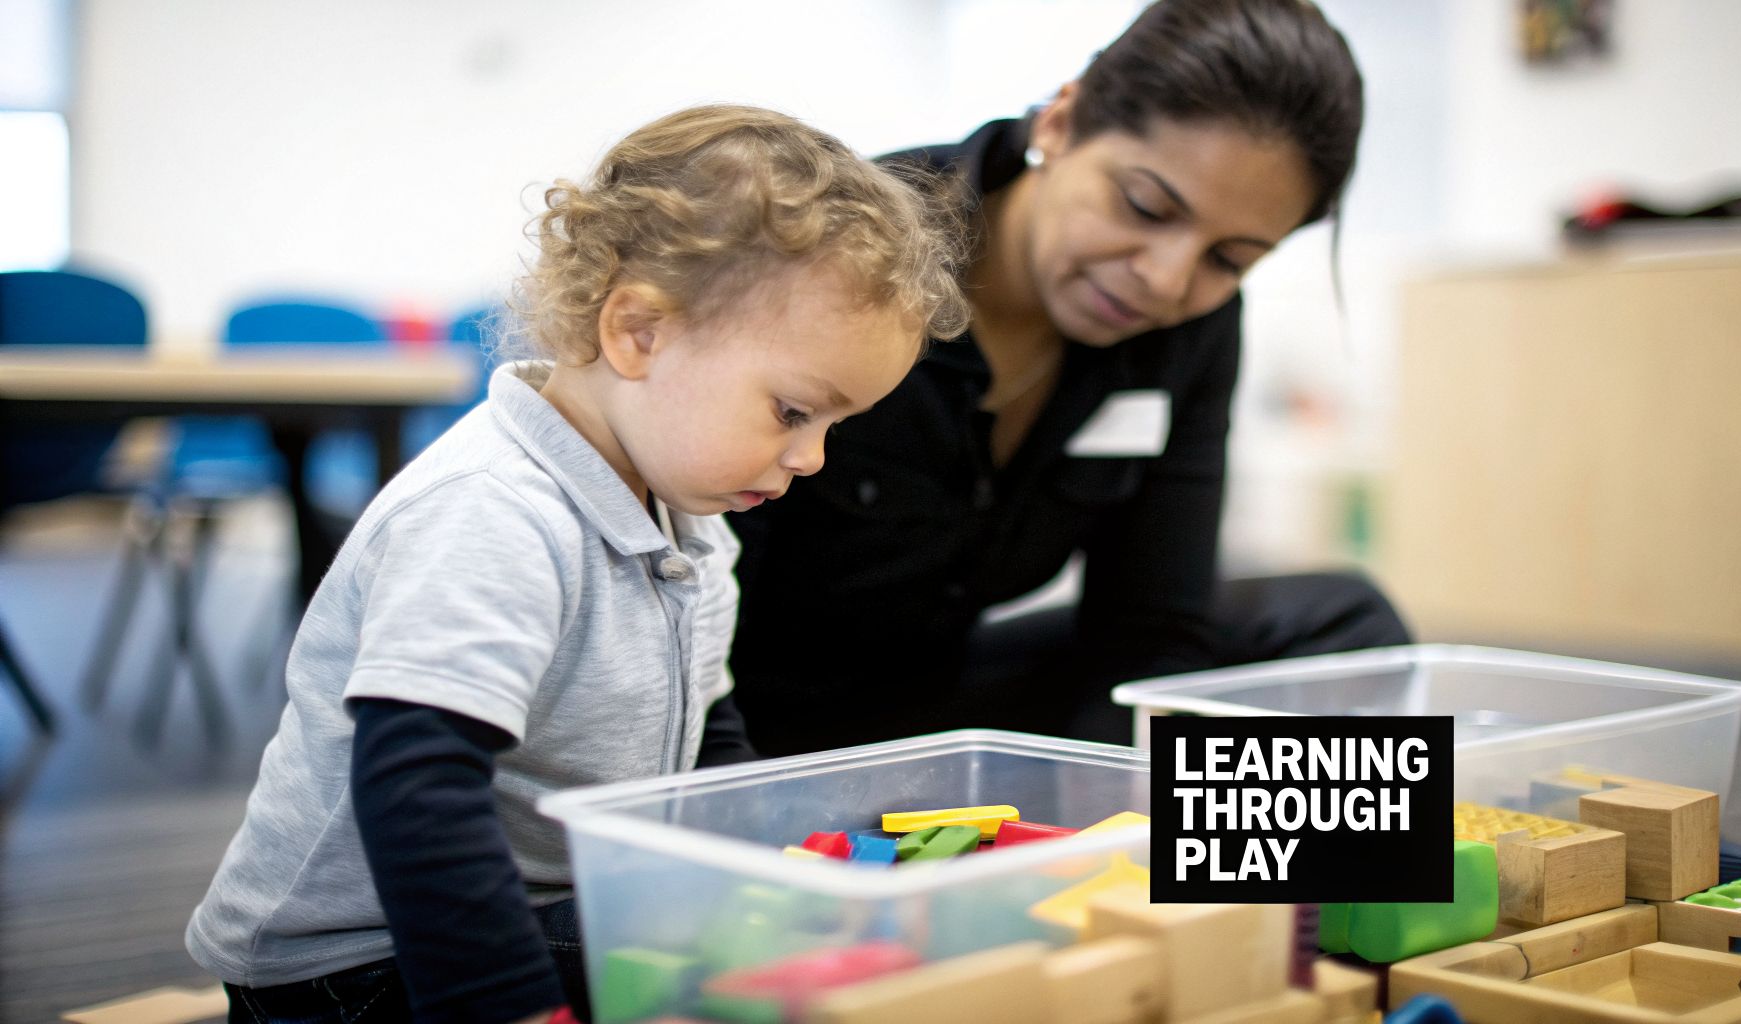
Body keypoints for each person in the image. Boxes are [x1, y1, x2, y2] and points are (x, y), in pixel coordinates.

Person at [185, 105, 968, 1023]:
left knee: (823, 934)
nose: (813, 459)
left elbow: (707, 726)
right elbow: (419, 793)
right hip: (364, 968)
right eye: (795, 413)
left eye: (836, 426)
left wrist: (769, 866)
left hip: (544, 908)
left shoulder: (692, 509)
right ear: (638, 330)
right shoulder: (491, 512)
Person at [728, 0, 1410, 756]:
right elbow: (683, 627)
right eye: (1145, 206)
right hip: (751, 730)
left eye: (1230, 260)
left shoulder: (1192, 328)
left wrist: (1112, 812)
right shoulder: (836, 261)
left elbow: (1152, 630)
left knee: (1347, 623)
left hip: (945, 715)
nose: (1165, 280)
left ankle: (1189, 869)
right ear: (1060, 121)